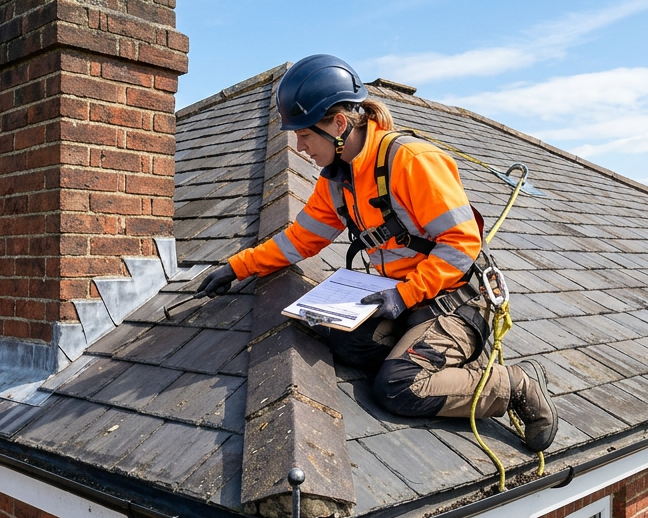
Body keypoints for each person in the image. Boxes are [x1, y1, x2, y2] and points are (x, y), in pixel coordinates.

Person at [195, 54, 557, 452]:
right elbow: (300, 240)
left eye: (304, 135)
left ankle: (514, 385)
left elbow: (461, 244)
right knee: (333, 335)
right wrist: (236, 266)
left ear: (338, 124)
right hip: (404, 300)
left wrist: (402, 296)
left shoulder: (412, 161)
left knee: (399, 387)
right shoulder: (338, 181)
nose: (299, 148)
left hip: (455, 303)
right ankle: (435, 362)